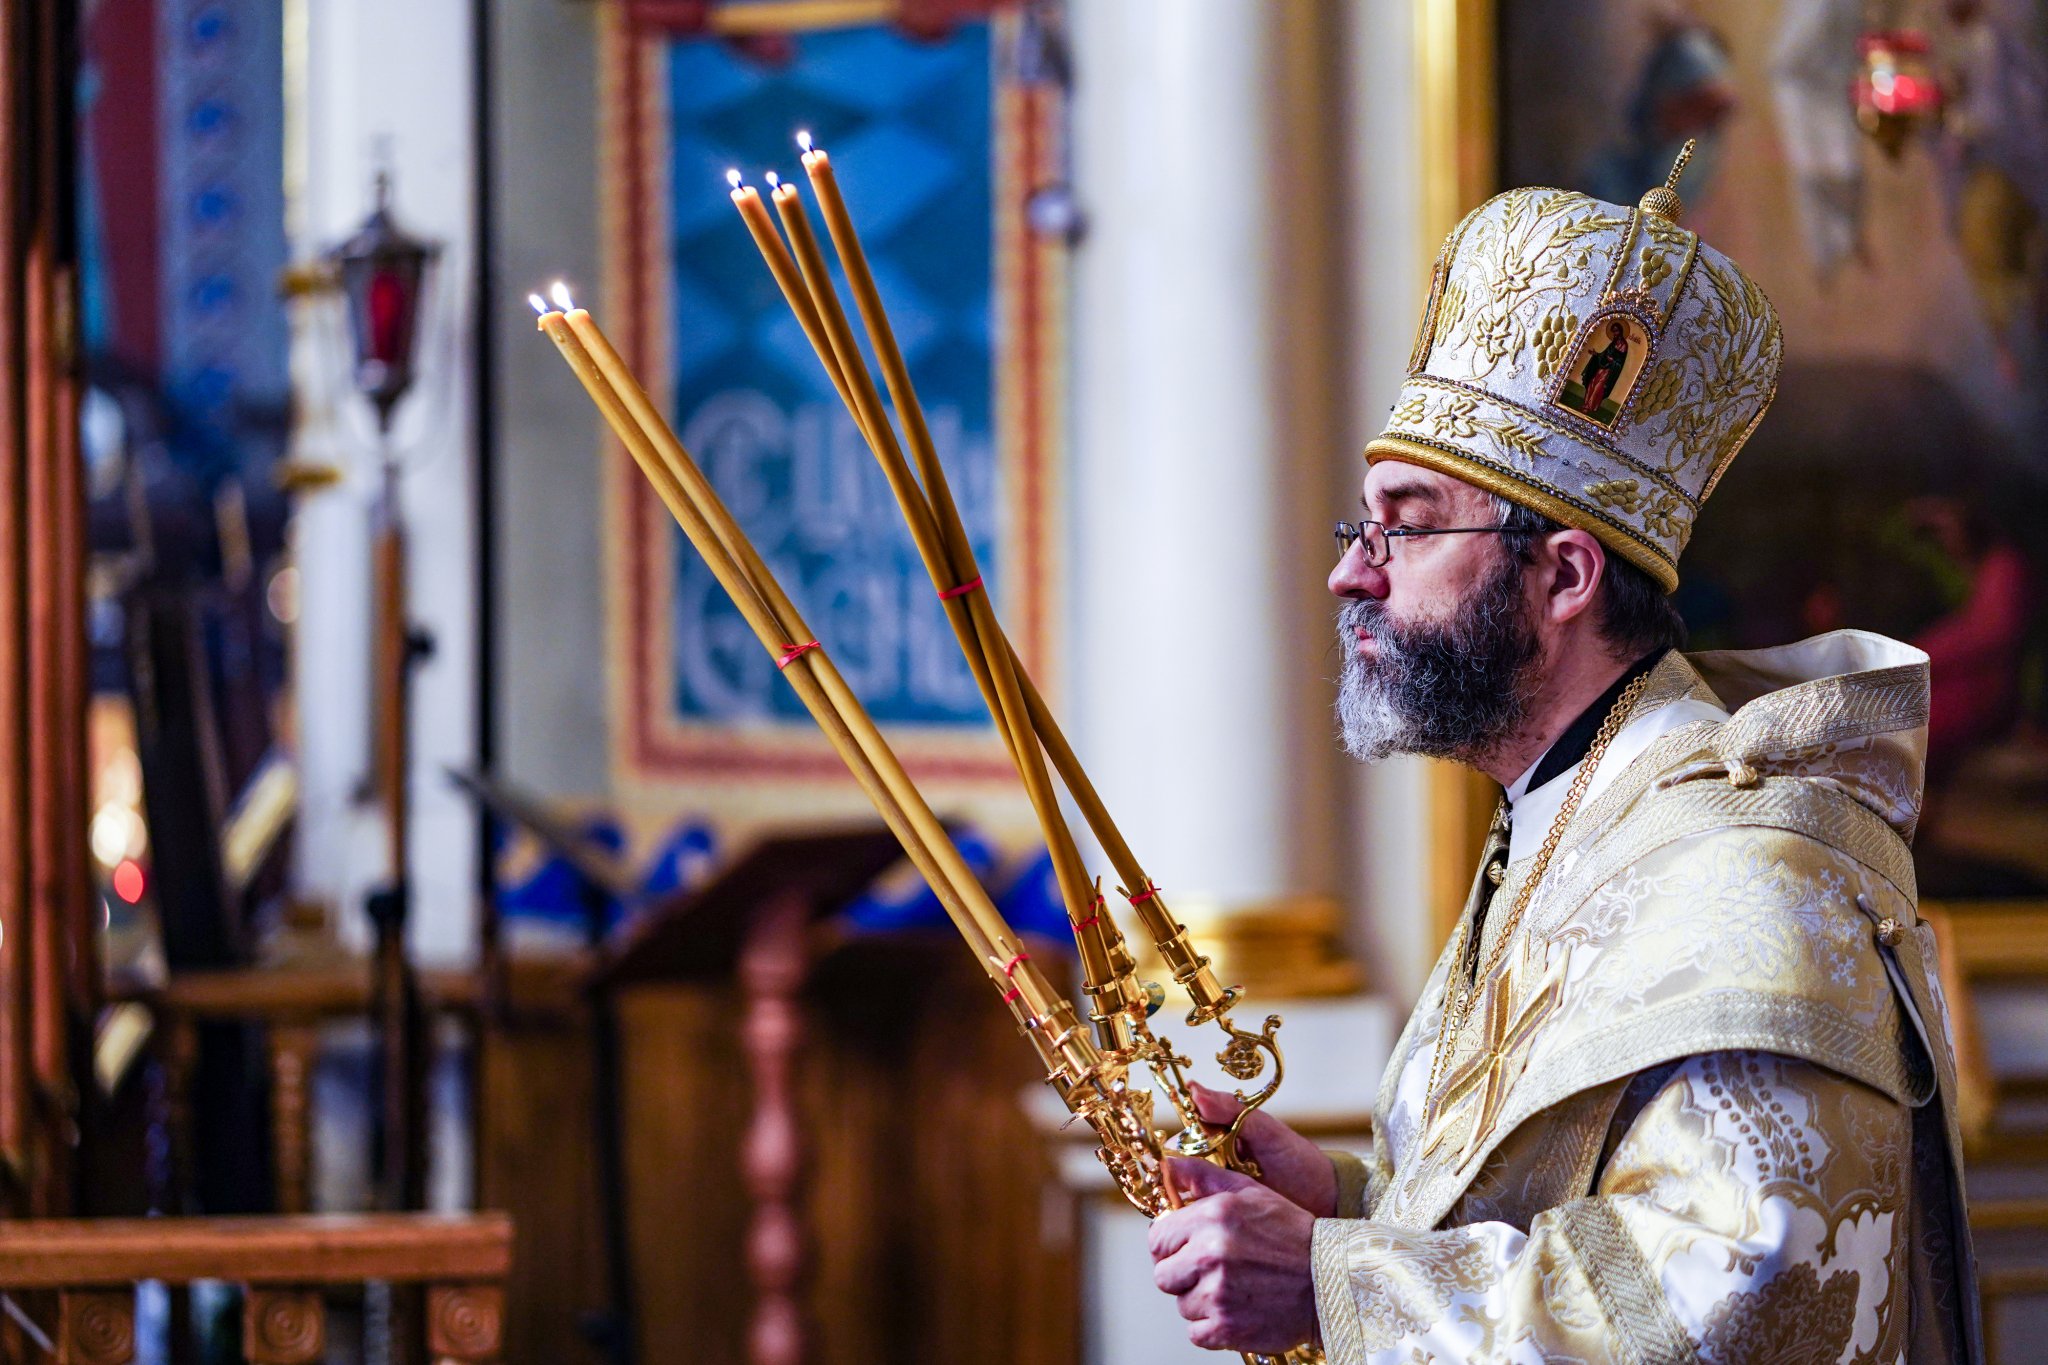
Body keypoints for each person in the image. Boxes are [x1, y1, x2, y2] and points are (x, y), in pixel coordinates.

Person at [1146, 157, 1980, 1363]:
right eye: (1362, 523)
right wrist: (1345, 1208)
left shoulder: (1747, 882)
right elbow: (1552, 1209)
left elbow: (1737, 1304)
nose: (1350, 570)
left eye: (1408, 522)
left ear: (1563, 575)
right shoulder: (1561, 818)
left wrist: (1341, 1285)